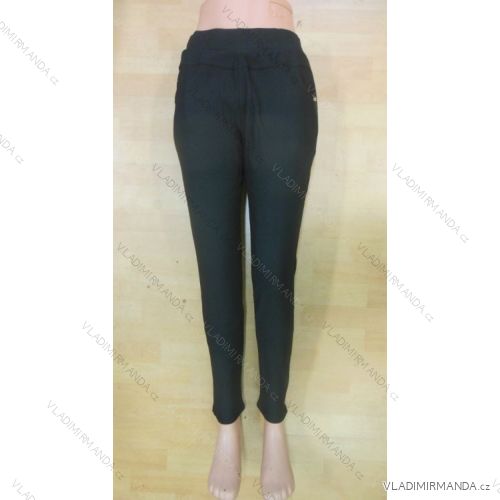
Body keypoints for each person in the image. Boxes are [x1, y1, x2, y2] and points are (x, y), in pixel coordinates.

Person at [173, 1, 318, 498]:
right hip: (206, 72)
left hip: (280, 73)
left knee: (276, 268)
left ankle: (274, 420)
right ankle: (227, 421)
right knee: (215, 264)